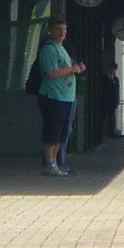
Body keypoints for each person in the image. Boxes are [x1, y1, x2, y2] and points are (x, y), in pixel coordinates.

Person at [38, 16, 85, 177]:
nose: (62, 32)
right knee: (53, 129)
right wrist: (72, 70)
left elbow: (66, 67)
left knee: (62, 131)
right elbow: (51, 72)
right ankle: (49, 162)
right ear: (51, 30)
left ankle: (55, 161)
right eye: (58, 29)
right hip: (53, 95)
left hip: (66, 96)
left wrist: (76, 68)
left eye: (64, 30)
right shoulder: (49, 49)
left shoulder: (62, 48)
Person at [100, 61, 121, 130]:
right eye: (111, 68)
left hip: (112, 103)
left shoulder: (116, 79)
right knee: (102, 118)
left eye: (114, 69)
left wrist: (117, 102)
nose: (113, 70)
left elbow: (117, 91)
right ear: (108, 68)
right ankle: (100, 132)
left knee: (112, 119)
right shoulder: (103, 78)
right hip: (104, 102)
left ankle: (112, 132)